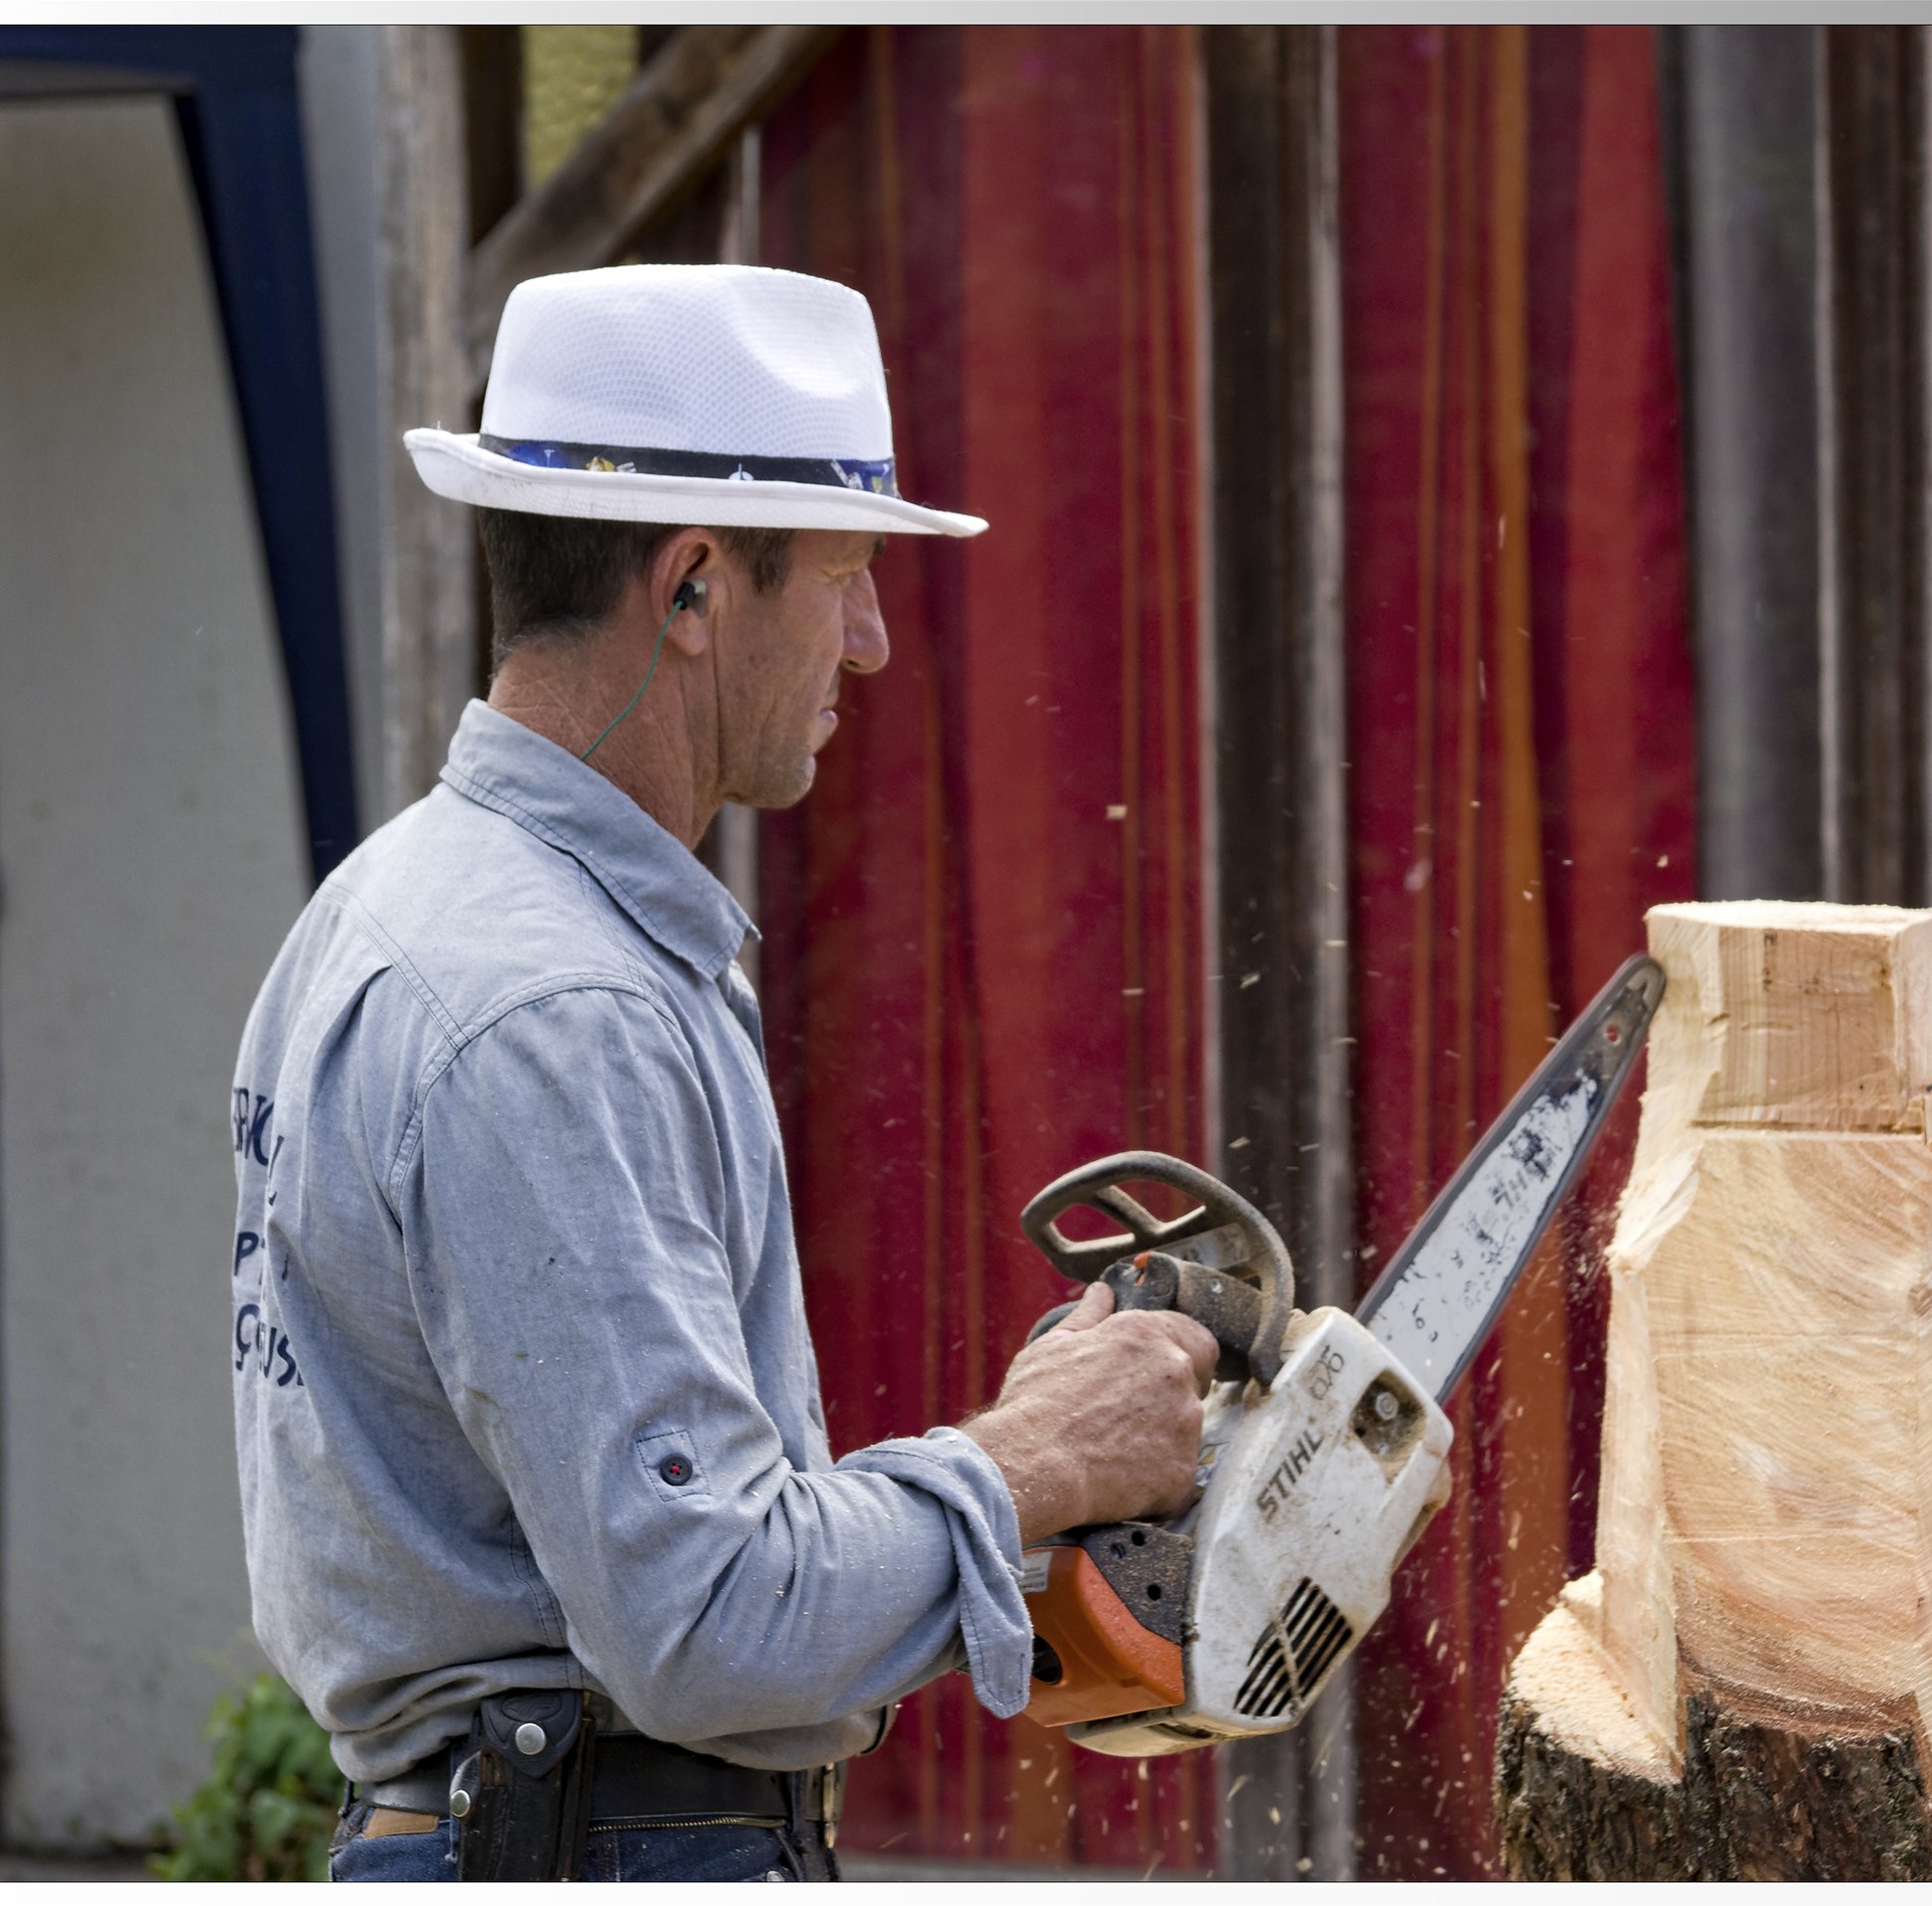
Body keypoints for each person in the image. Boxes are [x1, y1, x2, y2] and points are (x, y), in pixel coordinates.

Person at [227, 263, 1218, 1883]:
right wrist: (1041, 1456)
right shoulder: (554, 1005)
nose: (879, 642)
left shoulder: (391, 906)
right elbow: (711, 1622)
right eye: (842, 578)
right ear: (691, 590)